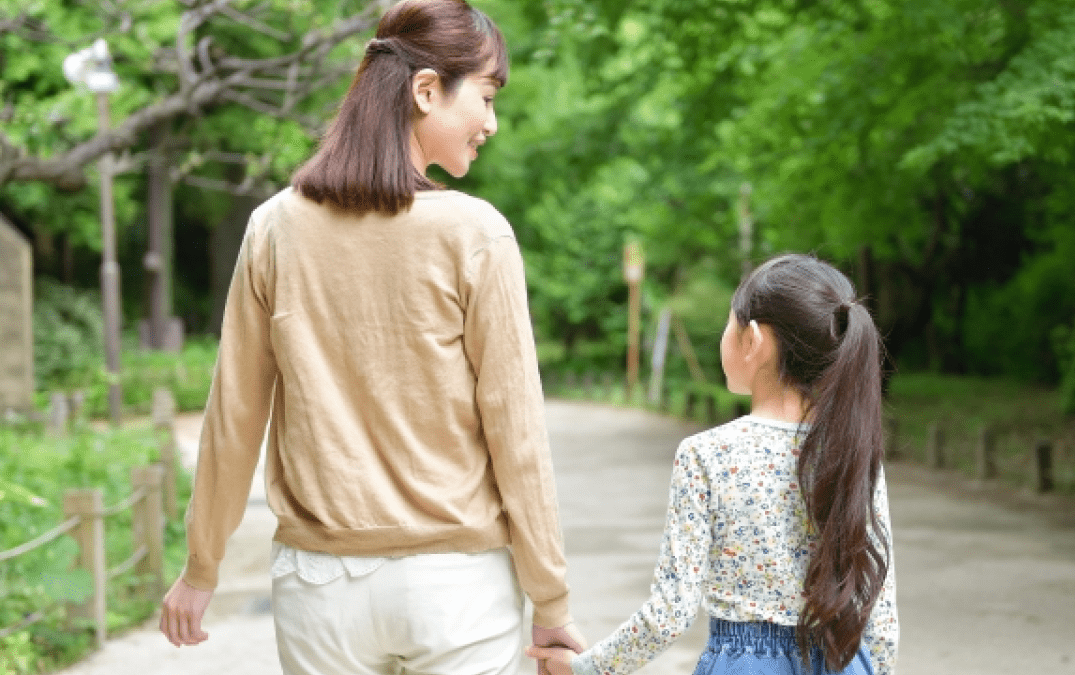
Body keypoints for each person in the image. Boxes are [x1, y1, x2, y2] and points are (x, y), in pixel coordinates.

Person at [158, 1, 585, 672]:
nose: (492, 123)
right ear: (425, 90)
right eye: (486, 95)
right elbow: (517, 434)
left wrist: (202, 564)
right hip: (458, 586)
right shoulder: (476, 234)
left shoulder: (275, 227)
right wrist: (551, 603)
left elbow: (234, 415)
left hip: (320, 586)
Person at [528, 253, 899, 675]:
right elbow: (881, 619)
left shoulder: (707, 454)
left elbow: (670, 613)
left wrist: (585, 667)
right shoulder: (853, 453)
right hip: (842, 660)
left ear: (753, 340)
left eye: (729, 323)